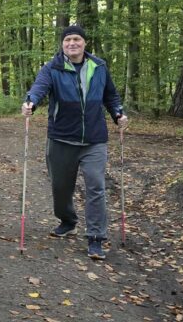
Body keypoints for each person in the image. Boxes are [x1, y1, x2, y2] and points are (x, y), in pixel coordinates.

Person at [22, 25, 127, 261]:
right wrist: (30, 102)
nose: (72, 43)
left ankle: (96, 237)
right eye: (68, 39)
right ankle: (68, 220)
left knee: (96, 186)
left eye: (77, 39)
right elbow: (39, 88)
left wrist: (118, 113)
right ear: (62, 44)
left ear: (84, 43)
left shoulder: (99, 66)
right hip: (61, 138)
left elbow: (111, 95)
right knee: (61, 188)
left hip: (94, 139)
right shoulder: (52, 68)